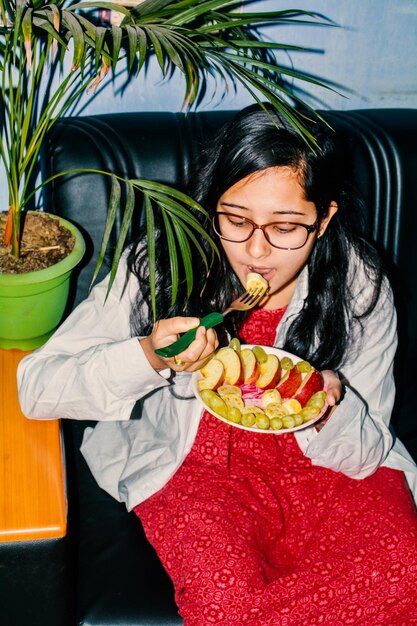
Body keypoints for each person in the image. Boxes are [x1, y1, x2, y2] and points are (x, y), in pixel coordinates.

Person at [18, 105, 417, 626]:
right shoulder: (163, 263)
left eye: (287, 227)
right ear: (212, 207)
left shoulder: (359, 283)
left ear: (324, 220)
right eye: (235, 220)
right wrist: (147, 355)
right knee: (226, 608)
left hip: (331, 467)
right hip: (199, 471)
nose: (256, 252)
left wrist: (325, 405)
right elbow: (38, 388)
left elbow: (364, 452)